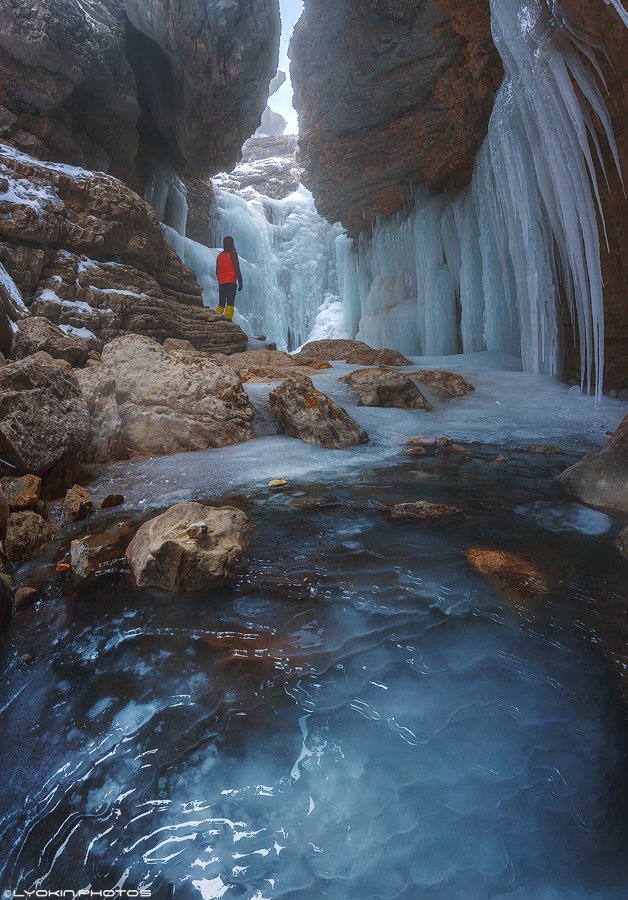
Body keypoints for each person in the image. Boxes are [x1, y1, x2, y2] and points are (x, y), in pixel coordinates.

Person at [215, 235, 243, 320]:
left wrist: (220, 280)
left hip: (221, 282)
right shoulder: (232, 253)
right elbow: (236, 267)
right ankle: (228, 319)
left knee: (221, 303)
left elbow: (217, 270)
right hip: (231, 281)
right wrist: (240, 281)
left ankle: (217, 317)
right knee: (230, 302)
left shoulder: (219, 256)